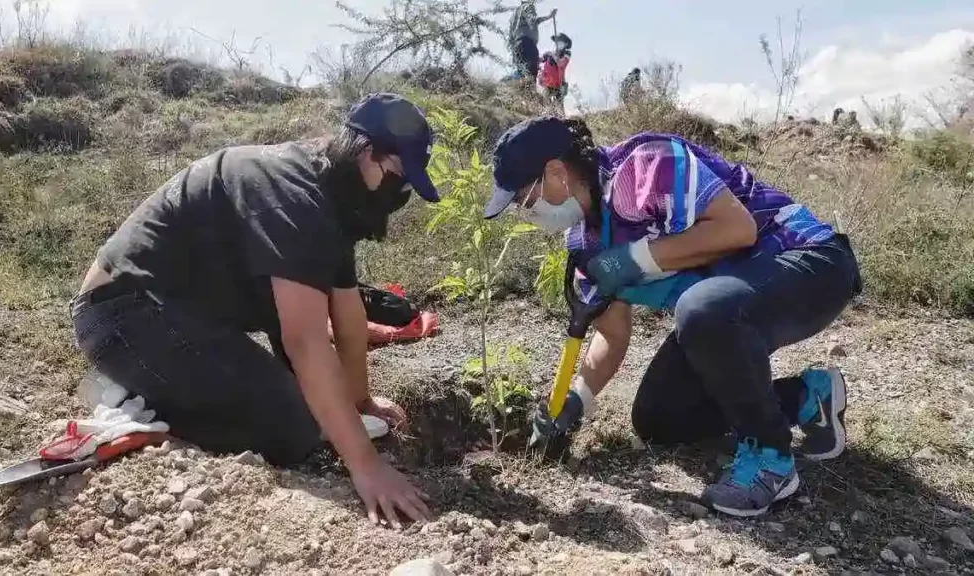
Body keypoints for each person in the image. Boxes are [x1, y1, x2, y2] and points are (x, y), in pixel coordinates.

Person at [69, 93, 440, 528]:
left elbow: (348, 314)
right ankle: (135, 397)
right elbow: (305, 340)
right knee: (296, 428)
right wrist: (366, 465)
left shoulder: (332, 198)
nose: (398, 195)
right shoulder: (293, 194)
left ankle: (159, 383)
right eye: (397, 177)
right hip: (123, 314)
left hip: (182, 317)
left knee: (322, 410)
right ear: (365, 152)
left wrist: (360, 401)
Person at [483, 117, 862, 517]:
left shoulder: (645, 167)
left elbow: (739, 229)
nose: (529, 213)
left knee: (700, 311)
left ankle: (771, 459)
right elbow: (610, 334)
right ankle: (805, 398)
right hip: (725, 301)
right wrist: (579, 398)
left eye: (526, 200)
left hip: (809, 262)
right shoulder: (584, 242)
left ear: (556, 173)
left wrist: (634, 259)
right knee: (659, 417)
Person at [508, 1, 557, 86]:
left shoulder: (515, 14)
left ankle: (523, 92)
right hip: (527, 43)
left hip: (517, 46)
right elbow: (533, 19)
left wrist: (549, 16)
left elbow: (510, 36)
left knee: (523, 72)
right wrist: (550, 16)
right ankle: (530, 94)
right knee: (532, 70)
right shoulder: (528, 6)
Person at [539, 33, 571, 113]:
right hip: (547, 84)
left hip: (559, 84)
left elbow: (561, 63)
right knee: (546, 104)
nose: (558, 44)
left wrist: (553, 55)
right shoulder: (549, 54)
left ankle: (562, 122)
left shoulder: (566, 54)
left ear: (565, 44)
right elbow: (539, 61)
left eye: (561, 42)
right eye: (557, 42)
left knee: (559, 107)